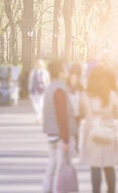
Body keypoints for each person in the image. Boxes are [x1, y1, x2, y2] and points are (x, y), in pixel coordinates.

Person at [80, 65, 118, 193]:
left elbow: (83, 113)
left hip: (92, 131)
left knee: (95, 166)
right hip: (108, 131)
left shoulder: (86, 96)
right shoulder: (112, 95)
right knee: (109, 166)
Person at [42, 60, 78, 193]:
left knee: (51, 167)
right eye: (65, 68)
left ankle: (46, 189)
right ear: (60, 72)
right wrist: (66, 139)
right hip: (61, 135)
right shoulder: (60, 89)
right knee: (61, 169)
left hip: (52, 134)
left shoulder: (51, 87)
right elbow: (62, 115)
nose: (68, 71)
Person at [67, 68, 84, 154]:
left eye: (75, 79)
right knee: (70, 132)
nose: (73, 80)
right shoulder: (66, 89)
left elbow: (83, 101)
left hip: (77, 114)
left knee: (76, 131)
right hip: (68, 115)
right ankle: (70, 147)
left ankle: (76, 147)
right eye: (72, 79)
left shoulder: (80, 90)